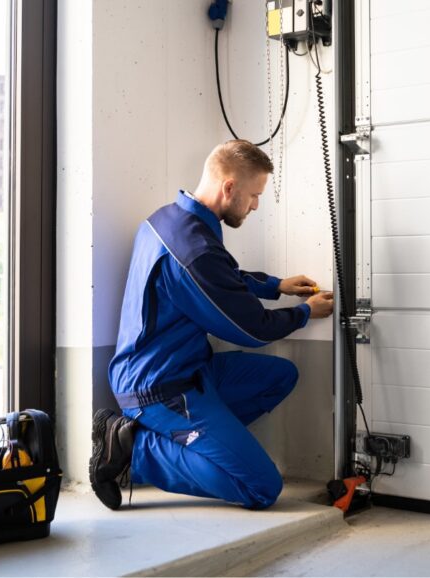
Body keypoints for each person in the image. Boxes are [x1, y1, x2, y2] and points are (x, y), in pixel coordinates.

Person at [90, 139, 335, 511]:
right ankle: (134, 449)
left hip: (190, 370)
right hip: (158, 389)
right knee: (262, 488)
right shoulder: (193, 251)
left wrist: (276, 286)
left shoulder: (170, 220)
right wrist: (304, 313)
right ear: (229, 187)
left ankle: (200, 445)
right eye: (254, 195)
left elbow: (222, 277)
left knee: (280, 376)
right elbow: (252, 330)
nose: (255, 205)